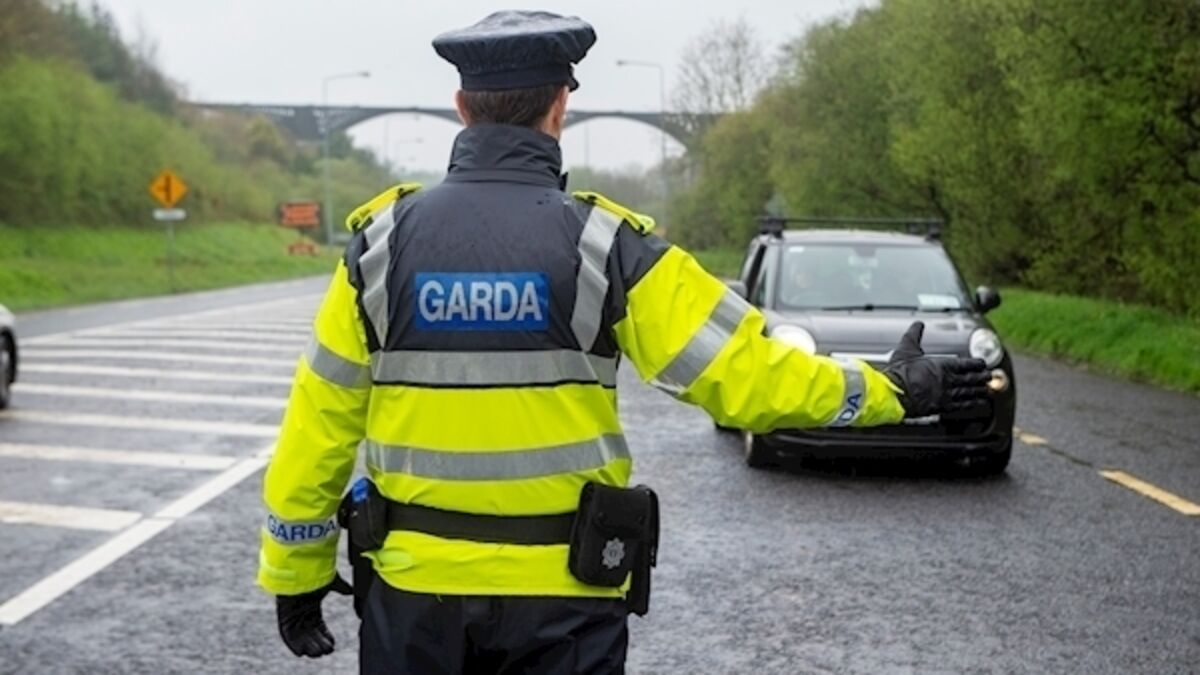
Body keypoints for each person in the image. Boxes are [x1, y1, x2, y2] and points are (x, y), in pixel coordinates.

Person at [258, 10, 991, 674]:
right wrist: (895, 390)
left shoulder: (379, 249)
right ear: (559, 107)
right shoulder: (607, 248)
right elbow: (750, 378)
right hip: (565, 604)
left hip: (413, 601)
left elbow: (318, 427)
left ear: (461, 108)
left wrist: (296, 573)